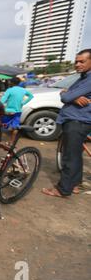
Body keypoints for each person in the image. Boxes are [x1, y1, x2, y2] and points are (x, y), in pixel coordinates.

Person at [42, 49, 91, 198]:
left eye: (82, 61)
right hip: (76, 120)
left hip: (78, 121)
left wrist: (68, 96)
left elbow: (65, 96)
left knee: (69, 157)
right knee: (75, 155)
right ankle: (74, 184)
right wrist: (72, 97)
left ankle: (63, 189)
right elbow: (66, 92)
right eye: (76, 61)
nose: (77, 64)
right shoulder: (82, 78)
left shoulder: (89, 79)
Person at [0, 77, 34, 144]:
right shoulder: (23, 90)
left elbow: (2, 101)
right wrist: (23, 102)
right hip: (18, 111)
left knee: (1, 125)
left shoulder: (9, 90)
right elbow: (31, 96)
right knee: (15, 127)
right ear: (19, 83)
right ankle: (11, 142)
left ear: (11, 82)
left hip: (8, 111)